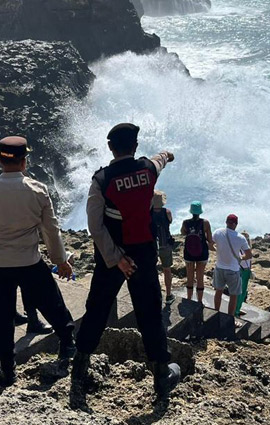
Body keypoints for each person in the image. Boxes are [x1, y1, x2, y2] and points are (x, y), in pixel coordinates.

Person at [72, 123, 181, 403]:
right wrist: (167, 154)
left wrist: (116, 258)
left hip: (112, 257)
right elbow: (158, 162)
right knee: (150, 314)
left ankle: (79, 373)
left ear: (111, 147)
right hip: (143, 254)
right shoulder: (146, 170)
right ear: (135, 147)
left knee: (96, 310)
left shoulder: (102, 179)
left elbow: (95, 227)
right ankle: (160, 377)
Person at [0, 136, 76, 386]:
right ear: (25, 162)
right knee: (52, 303)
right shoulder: (38, 190)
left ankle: (7, 369)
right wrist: (61, 260)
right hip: (29, 261)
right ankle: (68, 344)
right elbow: (51, 230)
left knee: (2, 318)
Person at [211, 214, 252, 316]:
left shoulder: (217, 232)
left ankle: (216, 313)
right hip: (233, 270)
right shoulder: (240, 238)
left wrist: (218, 250)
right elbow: (249, 254)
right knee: (233, 295)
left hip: (219, 267)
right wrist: (239, 258)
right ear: (236, 224)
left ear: (226, 222)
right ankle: (230, 317)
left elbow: (210, 244)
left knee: (218, 291)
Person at [180, 201, 214, 303]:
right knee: (200, 278)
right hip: (202, 252)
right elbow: (210, 240)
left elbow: (182, 233)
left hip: (189, 253)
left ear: (191, 211)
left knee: (190, 277)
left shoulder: (185, 222)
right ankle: (199, 301)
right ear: (200, 212)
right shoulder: (206, 223)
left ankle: (189, 300)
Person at [151, 190, 175, 304]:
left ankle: (152, 295)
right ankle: (169, 295)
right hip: (165, 244)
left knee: (151, 270)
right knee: (167, 270)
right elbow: (170, 222)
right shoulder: (167, 212)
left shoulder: (148, 213)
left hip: (151, 246)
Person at [235, 229, 253, 316]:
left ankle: (238, 308)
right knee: (239, 293)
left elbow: (250, 261)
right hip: (241, 271)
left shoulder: (248, 249)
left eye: (247, 238)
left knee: (243, 293)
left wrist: (251, 271)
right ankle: (235, 311)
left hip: (246, 272)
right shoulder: (238, 249)